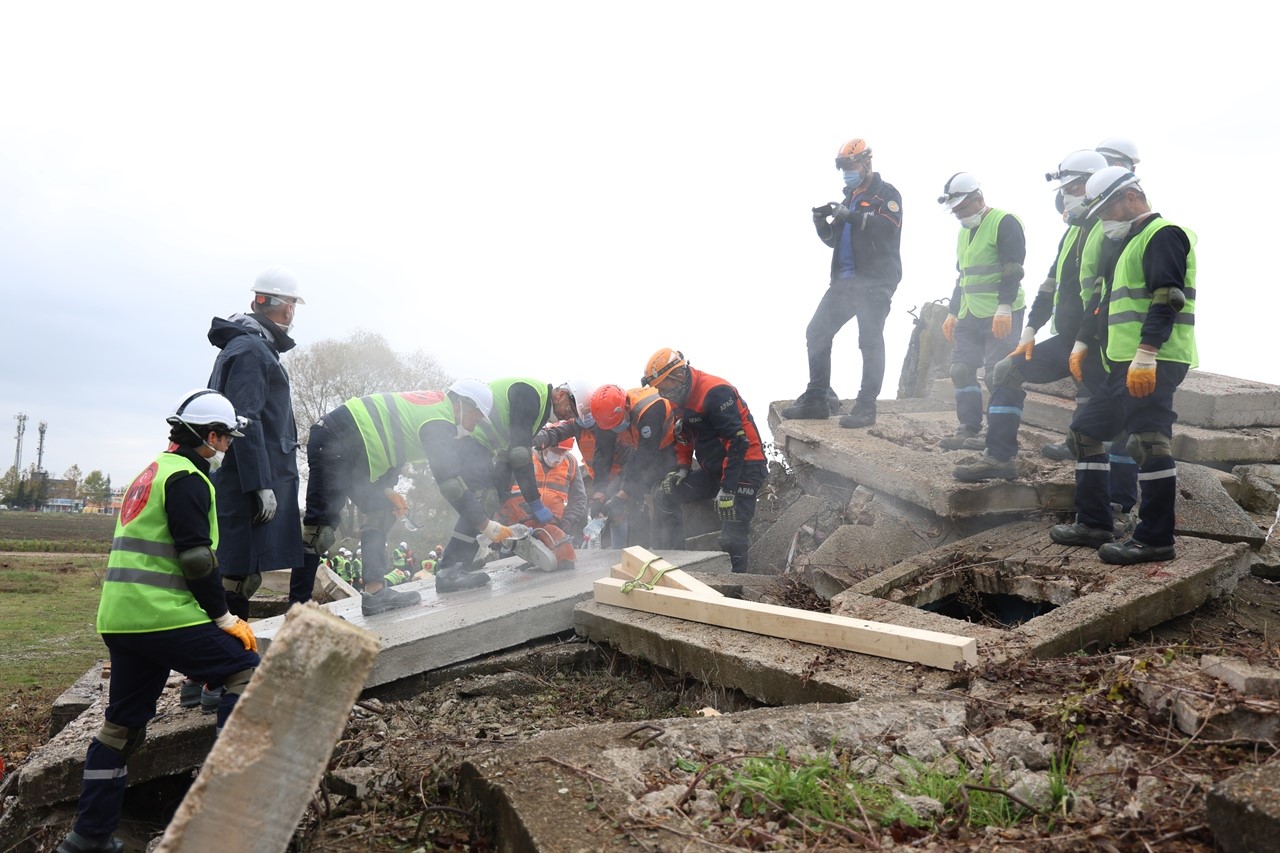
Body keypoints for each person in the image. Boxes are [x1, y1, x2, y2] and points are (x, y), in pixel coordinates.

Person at [57, 390, 260, 853]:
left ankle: (87, 838)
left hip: (121, 619)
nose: (226, 449)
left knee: (121, 728)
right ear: (211, 436)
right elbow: (195, 559)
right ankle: (226, 820)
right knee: (244, 670)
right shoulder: (189, 478)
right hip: (159, 615)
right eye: (225, 440)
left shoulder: (148, 473)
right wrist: (224, 617)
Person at [1048, 166, 1197, 564]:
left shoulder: (1163, 235)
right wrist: (1082, 342)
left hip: (1154, 359)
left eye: (1105, 211)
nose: (1102, 221)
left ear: (1131, 198)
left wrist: (1147, 352)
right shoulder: (1124, 242)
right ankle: (1094, 523)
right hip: (1121, 362)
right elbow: (1100, 301)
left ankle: (1155, 538)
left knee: (1147, 442)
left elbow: (1167, 297)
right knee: (1084, 433)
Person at [953, 150, 1109, 482]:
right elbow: (1049, 286)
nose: (1066, 196)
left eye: (1074, 187)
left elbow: (1103, 294)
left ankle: (1113, 505)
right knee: (1006, 370)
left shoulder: (1108, 232)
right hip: (1069, 338)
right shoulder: (1072, 234)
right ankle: (999, 457)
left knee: (1101, 425)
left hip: (1101, 342)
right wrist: (1031, 330)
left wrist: (1085, 339)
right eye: (1066, 189)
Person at [302, 380, 515, 609]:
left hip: (350, 443)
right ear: (462, 404)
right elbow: (450, 484)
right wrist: (486, 525)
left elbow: (394, 443)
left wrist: (387, 489)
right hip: (337, 439)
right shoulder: (439, 419)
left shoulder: (433, 407)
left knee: (381, 510)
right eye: (476, 417)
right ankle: (298, 610)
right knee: (318, 532)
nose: (475, 426)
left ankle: (375, 595)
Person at [781, 138, 903, 428]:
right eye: (844, 167)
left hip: (875, 283)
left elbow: (888, 227)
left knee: (870, 340)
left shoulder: (886, 193)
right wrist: (821, 224)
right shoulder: (849, 197)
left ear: (866, 163)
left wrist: (854, 216)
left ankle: (866, 407)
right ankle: (816, 399)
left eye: (851, 165)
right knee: (817, 332)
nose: (847, 172)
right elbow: (836, 241)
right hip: (845, 283)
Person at [206, 266, 306, 619]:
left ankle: (224, 666)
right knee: (236, 579)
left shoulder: (249, 346)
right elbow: (243, 421)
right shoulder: (252, 351)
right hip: (246, 485)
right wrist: (261, 485)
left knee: (239, 575)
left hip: (240, 480)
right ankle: (223, 668)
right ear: (288, 308)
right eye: (293, 304)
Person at [642, 349, 767, 572]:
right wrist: (682, 468)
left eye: (662, 386)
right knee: (666, 494)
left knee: (732, 537)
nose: (660, 392)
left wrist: (728, 489)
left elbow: (738, 443)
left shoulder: (715, 391)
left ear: (677, 376)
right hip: (714, 471)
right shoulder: (679, 398)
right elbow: (684, 436)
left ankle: (736, 588)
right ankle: (676, 564)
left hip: (745, 468)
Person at [936, 173, 1027, 450]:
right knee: (961, 369)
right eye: (955, 210)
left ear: (979, 199)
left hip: (1001, 313)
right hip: (969, 312)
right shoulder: (964, 232)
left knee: (997, 375)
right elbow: (963, 276)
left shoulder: (1004, 222)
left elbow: (1013, 269)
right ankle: (968, 429)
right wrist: (953, 312)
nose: (959, 215)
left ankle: (999, 438)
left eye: (962, 208)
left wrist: (1004, 307)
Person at [588, 384, 680, 548]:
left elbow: (647, 453)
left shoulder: (650, 409)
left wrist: (623, 494)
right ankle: (645, 550)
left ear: (626, 407)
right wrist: (599, 492)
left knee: (664, 496)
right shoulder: (606, 417)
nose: (615, 429)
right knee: (625, 492)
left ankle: (674, 554)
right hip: (641, 450)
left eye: (617, 424)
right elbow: (603, 453)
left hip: (669, 446)